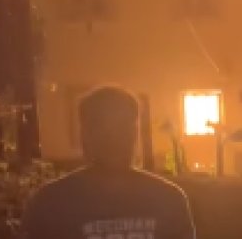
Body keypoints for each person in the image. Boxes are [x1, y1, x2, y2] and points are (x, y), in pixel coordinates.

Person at [21, 85, 196, 239]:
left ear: (135, 134)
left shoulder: (169, 199)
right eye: (102, 128)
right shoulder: (51, 203)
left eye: (122, 128)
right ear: (84, 134)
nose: (113, 139)